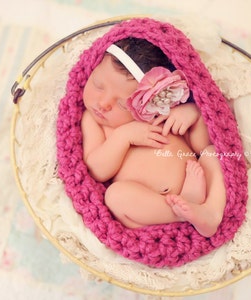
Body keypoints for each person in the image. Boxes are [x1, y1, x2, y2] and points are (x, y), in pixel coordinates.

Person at [81, 37, 226, 237]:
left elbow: (201, 146)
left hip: (197, 182)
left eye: (123, 104)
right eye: (98, 85)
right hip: (149, 211)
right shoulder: (95, 121)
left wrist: (194, 114)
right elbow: (96, 170)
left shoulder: (161, 111)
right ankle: (182, 214)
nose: (104, 103)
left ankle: (211, 212)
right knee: (115, 196)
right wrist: (123, 137)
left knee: (214, 154)